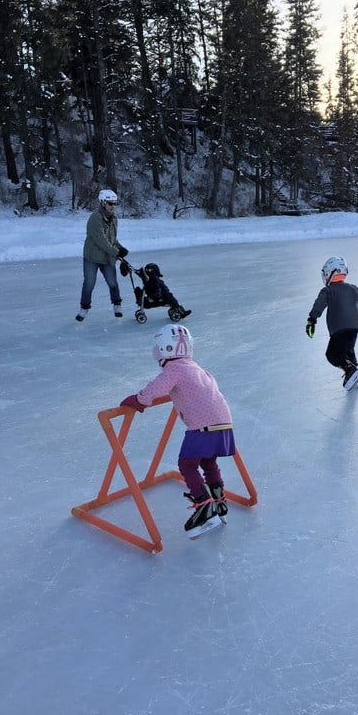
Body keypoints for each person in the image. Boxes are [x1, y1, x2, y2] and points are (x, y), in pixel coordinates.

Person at [120, 324, 234, 539]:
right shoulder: (196, 368)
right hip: (223, 423)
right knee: (208, 463)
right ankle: (219, 502)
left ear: (164, 349)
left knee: (187, 465)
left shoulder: (175, 369)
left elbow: (157, 387)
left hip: (202, 426)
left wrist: (138, 400)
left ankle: (204, 506)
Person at [306, 256, 358, 390]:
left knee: (332, 354)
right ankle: (353, 369)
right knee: (347, 349)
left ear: (330, 273)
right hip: (355, 326)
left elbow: (318, 306)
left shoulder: (327, 291)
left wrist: (312, 320)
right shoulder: (353, 288)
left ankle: (350, 370)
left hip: (339, 328)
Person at [76, 189, 129, 322]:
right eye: (111, 203)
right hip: (92, 257)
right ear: (103, 203)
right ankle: (84, 308)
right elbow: (102, 241)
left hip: (106, 257)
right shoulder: (95, 218)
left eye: (115, 203)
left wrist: (121, 248)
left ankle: (117, 304)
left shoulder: (114, 218)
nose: (113, 206)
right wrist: (117, 253)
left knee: (113, 283)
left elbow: (112, 239)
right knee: (89, 283)